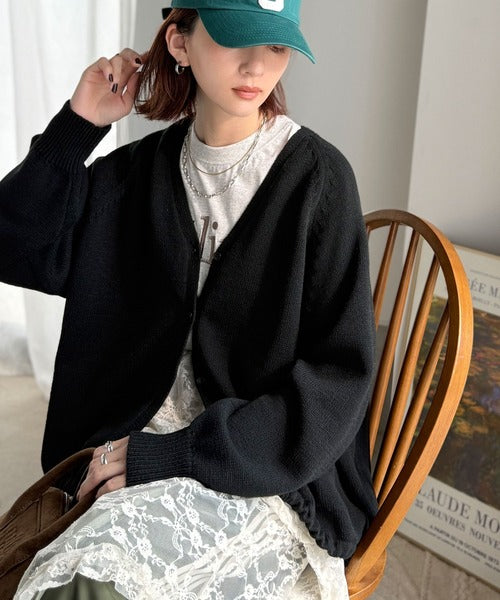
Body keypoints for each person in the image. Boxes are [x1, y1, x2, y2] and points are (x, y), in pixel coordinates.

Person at [1, 1, 378, 598]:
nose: (257, 66)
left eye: (277, 47)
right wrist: (78, 126)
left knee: (90, 586)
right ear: (179, 42)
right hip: (132, 440)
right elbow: (15, 244)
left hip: (265, 470)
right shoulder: (134, 176)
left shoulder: (319, 181)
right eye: (235, 40)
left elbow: (336, 385)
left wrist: (171, 456)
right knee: (66, 579)